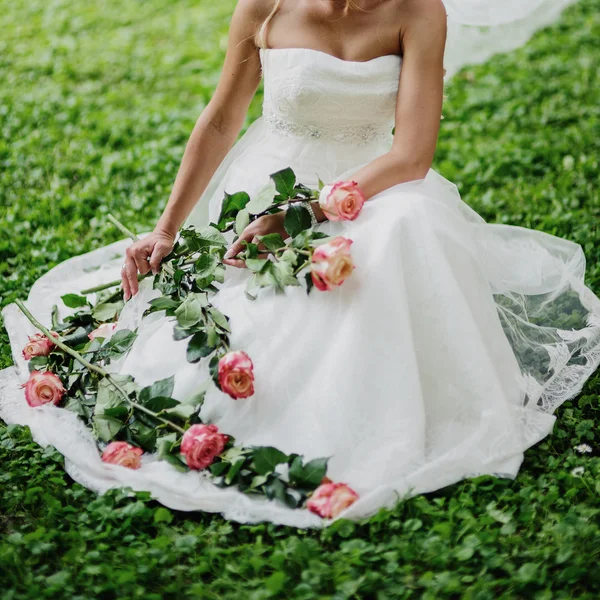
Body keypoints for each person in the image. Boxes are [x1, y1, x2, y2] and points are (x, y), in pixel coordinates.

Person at [1, 0, 598, 528]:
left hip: (376, 188)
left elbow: (412, 154)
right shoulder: (263, 7)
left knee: (404, 228)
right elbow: (220, 119)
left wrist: (305, 213)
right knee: (223, 337)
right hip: (266, 187)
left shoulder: (419, 11)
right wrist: (166, 229)